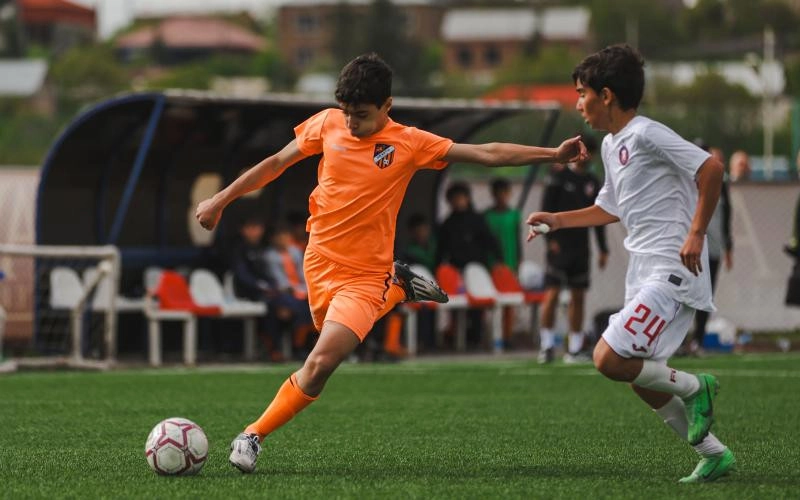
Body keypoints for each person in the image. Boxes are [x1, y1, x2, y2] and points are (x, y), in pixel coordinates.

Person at [195, 52, 588, 473]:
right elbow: (275, 163)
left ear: (387, 106)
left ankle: (252, 435)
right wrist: (220, 200)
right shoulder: (327, 123)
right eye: (347, 112)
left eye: (361, 115)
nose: (351, 123)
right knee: (322, 352)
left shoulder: (409, 142)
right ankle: (398, 286)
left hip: (364, 278)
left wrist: (553, 154)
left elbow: (487, 153)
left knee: (321, 363)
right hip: (319, 262)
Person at [527, 44, 734, 483]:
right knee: (640, 377)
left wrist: (696, 233)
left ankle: (697, 387)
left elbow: (712, 169)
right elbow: (610, 207)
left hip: (672, 268)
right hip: (643, 270)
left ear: (605, 95)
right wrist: (557, 220)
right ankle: (713, 453)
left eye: (581, 94)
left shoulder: (646, 133)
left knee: (607, 358)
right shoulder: (611, 145)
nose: (578, 104)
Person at [537, 135, 609, 364]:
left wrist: (603, 248)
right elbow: (545, 209)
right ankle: (546, 345)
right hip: (560, 246)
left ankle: (575, 348)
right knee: (552, 293)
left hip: (581, 247)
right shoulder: (558, 176)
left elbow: (599, 215)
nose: (587, 157)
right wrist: (550, 240)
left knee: (578, 296)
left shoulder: (592, 181)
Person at [687, 143, 733, 356]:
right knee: (679, 294)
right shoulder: (684, 178)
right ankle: (675, 340)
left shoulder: (718, 180)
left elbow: (727, 214)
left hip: (711, 248)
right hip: (687, 248)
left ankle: (698, 340)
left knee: (705, 296)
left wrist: (728, 246)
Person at [229, 217, 288, 361]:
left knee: (289, 304)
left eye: (257, 227)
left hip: (266, 291)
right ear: (243, 230)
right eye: (251, 228)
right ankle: (272, 346)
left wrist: (272, 285)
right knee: (273, 306)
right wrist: (262, 287)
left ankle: (292, 345)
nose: (255, 232)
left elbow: (266, 274)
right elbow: (242, 275)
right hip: (246, 291)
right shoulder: (238, 249)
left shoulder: (262, 248)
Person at [264, 224, 315, 357]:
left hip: (299, 291)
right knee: (298, 309)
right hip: (281, 292)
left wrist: (306, 289)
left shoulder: (296, 252)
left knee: (313, 306)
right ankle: (297, 346)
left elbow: (303, 274)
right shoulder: (269, 256)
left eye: (286, 235)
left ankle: (303, 344)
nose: (284, 239)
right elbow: (280, 281)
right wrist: (297, 291)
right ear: (273, 239)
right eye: (280, 236)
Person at [484, 177, 522, 271]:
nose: (502, 196)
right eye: (499, 193)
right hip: (491, 264)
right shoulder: (486, 216)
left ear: (509, 193)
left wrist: (519, 260)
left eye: (505, 193)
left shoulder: (514, 215)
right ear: (493, 194)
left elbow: (518, 240)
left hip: (511, 262)